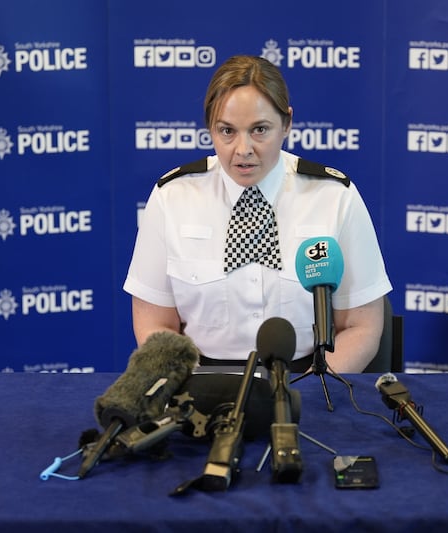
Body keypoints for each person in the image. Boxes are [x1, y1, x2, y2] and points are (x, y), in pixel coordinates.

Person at [123, 55, 392, 373]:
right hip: (201, 382)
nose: (243, 149)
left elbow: (362, 326)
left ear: (287, 124)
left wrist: (308, 397)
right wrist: (194, 390)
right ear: (210, 127)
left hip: (310, 381)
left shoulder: (334, 197)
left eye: (260, 130)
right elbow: (154, 323)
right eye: (227, 131)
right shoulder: (172, 197)